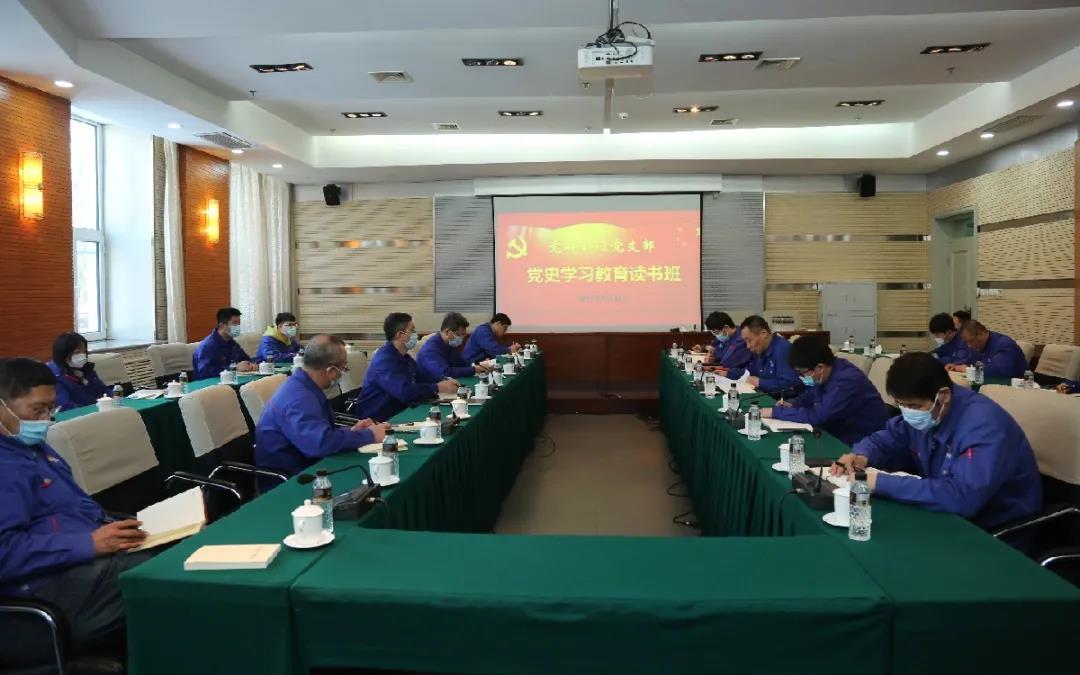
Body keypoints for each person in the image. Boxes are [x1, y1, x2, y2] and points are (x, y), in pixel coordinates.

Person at [0, 358, 151, 662]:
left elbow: (75, 505)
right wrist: (89, 543)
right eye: (36, 410)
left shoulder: (32, 447)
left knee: (174, 553)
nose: (45, 420)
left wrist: (113, 529)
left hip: (79, 566)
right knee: (161, 584)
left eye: (50, 409)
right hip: (38, 600)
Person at [832, 353, 1041, 534]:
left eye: (913, 405)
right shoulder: (928, 411)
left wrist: (880, 483)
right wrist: (861, 455)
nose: (908, 412)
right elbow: (887, 439)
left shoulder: (984, 426)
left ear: (944, 395)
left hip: (993, 529)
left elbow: (962, 497)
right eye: (901, 404)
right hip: (945, 514)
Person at [255, 336, 387, 481]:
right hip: (290, 478)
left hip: (310, 463)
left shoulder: (306, 386)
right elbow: (319, 444)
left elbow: (321, 431)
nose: (344, 372)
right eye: (344, 368)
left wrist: (352, 431)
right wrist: (370, 436)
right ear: (331, 371)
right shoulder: (298, 398)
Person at [761, 337, 887, 446]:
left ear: (820, 367)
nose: (801, 377)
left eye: (802, 373)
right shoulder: (826, 373)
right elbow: (811, 394)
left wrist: (775, 412)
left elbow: (818, 416)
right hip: (837, 432)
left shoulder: (846, 380)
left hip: (861, 441)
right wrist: (793, 404)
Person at [351, 313, 458, 421]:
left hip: (399, 410)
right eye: (412, 331)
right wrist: (437, 387)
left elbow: (422, 376)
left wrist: (444, 380)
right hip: (378, 418)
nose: (416, 335)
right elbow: (404, 392)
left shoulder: (404, 357)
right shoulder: (384, 360)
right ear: (400, 334)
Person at [725, 315, 801, 397]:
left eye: (750, 340)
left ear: (763, 333)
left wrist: (760, 382)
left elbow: (791, 385)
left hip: (783, 400)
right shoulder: (760, 349)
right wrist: (728, 373)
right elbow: (749, 371)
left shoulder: (783, 349)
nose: (748, 346)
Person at [417, 312, 491, 381]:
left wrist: (480, 366)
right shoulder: (430, 350)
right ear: (447, 332)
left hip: (448, 383)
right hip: (432, 386)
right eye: (459, 335)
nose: (462, 338)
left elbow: (462, 363)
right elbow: (445, 373)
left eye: (463, 335)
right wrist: (474, 369)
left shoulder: (449, 344)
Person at [47, 332, 111, 411]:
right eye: (77, 352)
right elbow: (66, 406)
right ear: (63, 354)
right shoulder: (53, 376)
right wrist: (95, 410)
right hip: (78, 415)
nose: (83, 356)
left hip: (97, 410)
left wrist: (113, 399)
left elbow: (103, 389)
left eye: (84, 351)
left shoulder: (86, 368)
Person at [943, 320, 1027, 379]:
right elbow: (971, 361)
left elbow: (998, 372)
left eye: (971, 341)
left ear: (981, 334)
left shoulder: (1004, 344)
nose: (969, 345)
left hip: (1016, 388)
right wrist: (955, 366)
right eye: (966, 342)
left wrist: (966, 370)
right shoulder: (976, 345)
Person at [192, 307, 256, 380]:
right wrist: (234, 368)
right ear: (222, 325)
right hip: (210, 384)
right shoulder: (208, 345)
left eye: (239, 323)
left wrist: (252, 364)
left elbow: (245, 359)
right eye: (235, 323)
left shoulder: (232, 343)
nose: (238, 326)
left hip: (231, 380)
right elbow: (204, 372)